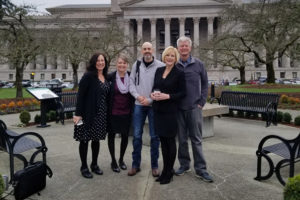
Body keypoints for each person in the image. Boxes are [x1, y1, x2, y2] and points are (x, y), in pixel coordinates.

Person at [175, 36, 214, 182]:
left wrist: (201, 102)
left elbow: (205, 84)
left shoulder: (199, 64)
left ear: (190, 48)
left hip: (194, 108)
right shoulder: (175, 65)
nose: (184, 48)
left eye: (186, 46)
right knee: (182, 139)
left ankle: (201, 169)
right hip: (179, 108)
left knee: (196, 140)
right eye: (181, 46)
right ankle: (184, 165)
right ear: (178, 48)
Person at [128, 42, 165, 177]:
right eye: (145, 49)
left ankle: (154, 166)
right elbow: (131, 83)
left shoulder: (161, 66)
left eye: (149, 49)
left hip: (153, 106)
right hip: (138, 105)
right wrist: (138, 97)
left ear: (153, 50)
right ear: (141, 51)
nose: (147, 51)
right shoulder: (136, 65)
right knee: (137, 136)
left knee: (155, 137)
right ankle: (135, 165)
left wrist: (149, 100)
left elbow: (162, 86)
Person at [150, 46, 185, 184]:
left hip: (170, 111)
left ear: (175, 58)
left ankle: (169, 172)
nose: (169, 58)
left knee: (170, 142)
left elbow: (183, 93)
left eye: (172, 56)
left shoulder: (179, 73)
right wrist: (153, 94)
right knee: (163, 143)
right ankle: (165, 170)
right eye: (167, 55)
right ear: (164, 57)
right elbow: (155, 87)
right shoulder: (159, 70)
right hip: (158, 110)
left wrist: (167, 96)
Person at [73, 53, 110, 179]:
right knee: (84, 140)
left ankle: (94, 164)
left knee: (96, 140)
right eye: (98, 60)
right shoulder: (88, 76)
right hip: (88, 114)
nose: (101, 62)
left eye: (103, 60)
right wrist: (78, 114)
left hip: (101, 114)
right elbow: (80, 95)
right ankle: (84, 166)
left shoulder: (105, 76)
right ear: (94, 62)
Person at [107, 54, 134, 173]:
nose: (122, 65)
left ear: (127, 65)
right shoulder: (110, 77)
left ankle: (121, 159)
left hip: (126, 112)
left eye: (124, 63)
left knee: (124, 137)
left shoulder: (131, 76)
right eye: (119, 63)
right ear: (116, 64)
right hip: (113, 112)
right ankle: (113, 161)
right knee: (111, 137)